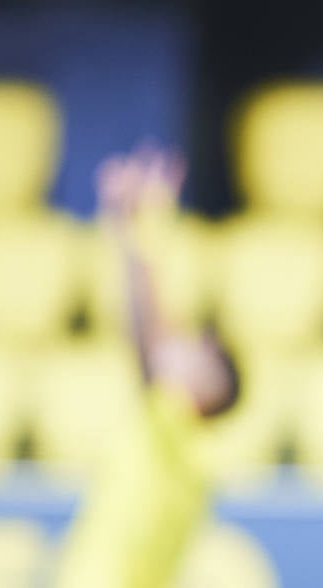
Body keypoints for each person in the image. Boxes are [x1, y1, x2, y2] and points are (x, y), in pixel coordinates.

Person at [51, 142, 242, 588]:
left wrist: (138, 234)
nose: (180, 347)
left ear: (208, 393)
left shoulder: (179, 437)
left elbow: (147, 338)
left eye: (195, 355)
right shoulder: (183, 444)